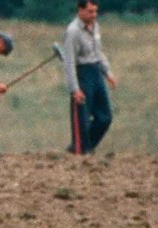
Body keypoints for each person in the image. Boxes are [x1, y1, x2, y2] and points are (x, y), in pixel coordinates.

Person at [63, 0, 116, 155]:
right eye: (90, 11)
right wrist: (75, 89)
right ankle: (81, 151)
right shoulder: (73, 32)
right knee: (82, 119)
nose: (93, 15)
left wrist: (107, 72)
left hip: (96, 72)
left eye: (95, 11)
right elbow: (69, 62)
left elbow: (98, 52)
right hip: (82, 74)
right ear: (80, 10)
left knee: (104, 117)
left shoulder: (95, 26)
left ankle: (84, 147)